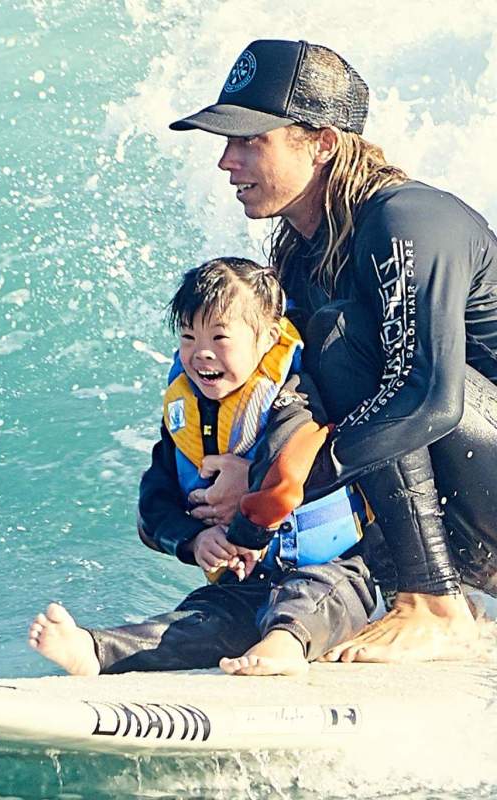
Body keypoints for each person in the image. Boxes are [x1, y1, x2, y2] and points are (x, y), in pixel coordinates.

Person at [169, 38, 497, 662]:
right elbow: (292, 400)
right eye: (225, 141)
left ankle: (432, 604)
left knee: (343, 342)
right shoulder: (298, 251)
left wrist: (283, 481)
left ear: (321, 141)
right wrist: (236, 487)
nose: (226, 162)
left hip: (483, 462)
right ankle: (428, 600)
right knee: (298, 366)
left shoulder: (409, 220)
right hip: (474, 515)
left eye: (249, 140)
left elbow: (427, 399)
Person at [28, 257, 377, 676]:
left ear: (267, 337)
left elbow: (284, 480)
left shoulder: (294, 398)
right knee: (200, 621)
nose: (201, 353)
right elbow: (155, 502)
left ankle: (286, 643)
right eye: (188, 337)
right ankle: (97, 651)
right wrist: (195, 540)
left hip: (335, 565)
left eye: (220, 337)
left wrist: (246, 535)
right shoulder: (186, 410)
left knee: (315, 596)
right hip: (246, 583)